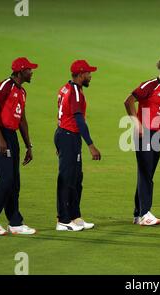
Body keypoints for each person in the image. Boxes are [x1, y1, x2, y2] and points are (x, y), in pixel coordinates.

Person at [0, 57, 38, 235]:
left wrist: (29, 146)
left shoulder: (22, 92)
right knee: (5, 180)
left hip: (11, 136)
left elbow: (22, 120)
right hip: (0, 134)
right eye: (29, 69)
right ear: (20, 71)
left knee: (15, 182)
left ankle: (15, 223)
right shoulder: (5, 85)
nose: (32, 72)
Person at [124, 57, 160, 226]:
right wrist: (137, 123)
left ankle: (138, 213)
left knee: (147, 174)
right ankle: (145, 214)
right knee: (146, 173)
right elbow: (129, 101)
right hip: (144, 134)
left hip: (157, 135)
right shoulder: (150, 86)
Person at [55, 60, 101, 231]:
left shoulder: (68, 87)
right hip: (69, 136)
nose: (90, 76)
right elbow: (78, 119)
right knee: (67, 178)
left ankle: (75, 216)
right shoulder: (74, 92)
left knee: (76, 178)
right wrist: (90, 144)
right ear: (81, 74)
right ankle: (63, 220)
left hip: (65, 134)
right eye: (89, 73)